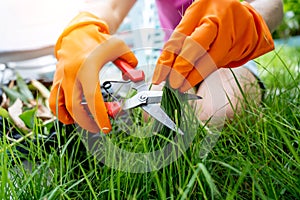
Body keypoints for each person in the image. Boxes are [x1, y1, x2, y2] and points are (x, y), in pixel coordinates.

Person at [48, 0, 284, 134]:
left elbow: (274, 4)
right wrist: (84, 27)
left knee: (222, 114)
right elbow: (111, 6)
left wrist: (250, 18)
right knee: (162, 121)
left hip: (228, 57)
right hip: (171, 65)